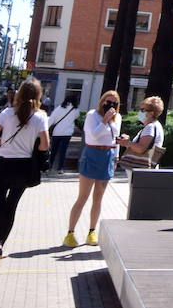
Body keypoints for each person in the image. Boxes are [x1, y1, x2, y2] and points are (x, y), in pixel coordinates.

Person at [0, 77, 51, 270]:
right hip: (23, 166)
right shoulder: (40, 117)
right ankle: (1, 244)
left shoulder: (6, 113)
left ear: (19, 94)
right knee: (11, 206)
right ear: (39, 95)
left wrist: (4, 142)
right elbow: (45, 145)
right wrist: (31, 146)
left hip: (2, 165)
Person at [65, 90, 120, 247]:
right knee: (83, 197)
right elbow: (93, 136)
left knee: (98, 198)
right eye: (108, 102)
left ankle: (91, 231)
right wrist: (104, 120)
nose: (111, 106)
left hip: (107, 156)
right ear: (102, 102)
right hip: (92, 153)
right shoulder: (92, 115)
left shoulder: (117, 118)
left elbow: (115, 140)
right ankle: (70, 233)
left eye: (114, 103)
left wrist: (116, 156)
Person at [117, 95, 165, 171]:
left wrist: (127, 143)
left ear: (151, 113)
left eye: (143, 110)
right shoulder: (155, 125)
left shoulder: (150, 127)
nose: (140, 112)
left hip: (142, 170)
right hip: (146, 169)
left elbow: (141, 149)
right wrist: (129, 141)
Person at [47, 96, 79, 173]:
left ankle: (49, 167)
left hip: (56, 133)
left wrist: (46, 128)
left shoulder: (59, 108)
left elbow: (51, 119)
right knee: (63, 151)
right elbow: (76, 118)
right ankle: (60, 168)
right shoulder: (76, 110)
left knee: (53, 150)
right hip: (67, 133)